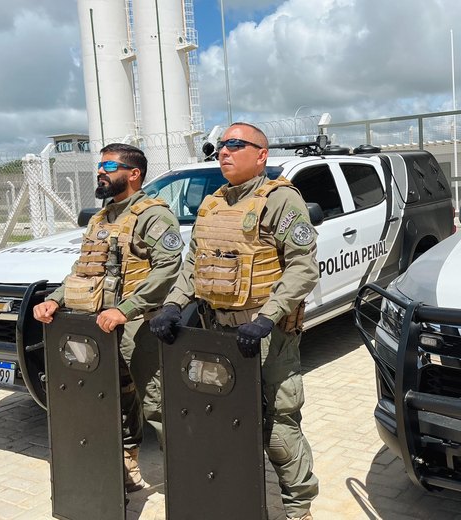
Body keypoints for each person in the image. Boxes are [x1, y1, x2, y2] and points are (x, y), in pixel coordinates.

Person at [150, 122, 319, 520]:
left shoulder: (281, 200)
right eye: (221, 146)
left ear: (261, 155)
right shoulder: (212, 203)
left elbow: (303, 268)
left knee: (278, 423)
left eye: (235, 145)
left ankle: (298, 509)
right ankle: (231, 498)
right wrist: (173, 305)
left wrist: (267, 318)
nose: (224, 151)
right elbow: (194, 265)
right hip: (216, 334)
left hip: (266, 335)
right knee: (222, 417)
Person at [33, 143, 183, 493]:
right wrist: (55, 300)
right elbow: (83, 270)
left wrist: (125, 310)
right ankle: (126, 465)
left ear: (133, 174)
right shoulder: (101, 218)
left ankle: (184, 477)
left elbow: (168, 268)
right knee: (116, 396)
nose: (101, 172)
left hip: (138, 325)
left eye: (110, 166)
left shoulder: (153, 215)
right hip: (97, 327)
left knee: (155, 401)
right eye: (100, 166)